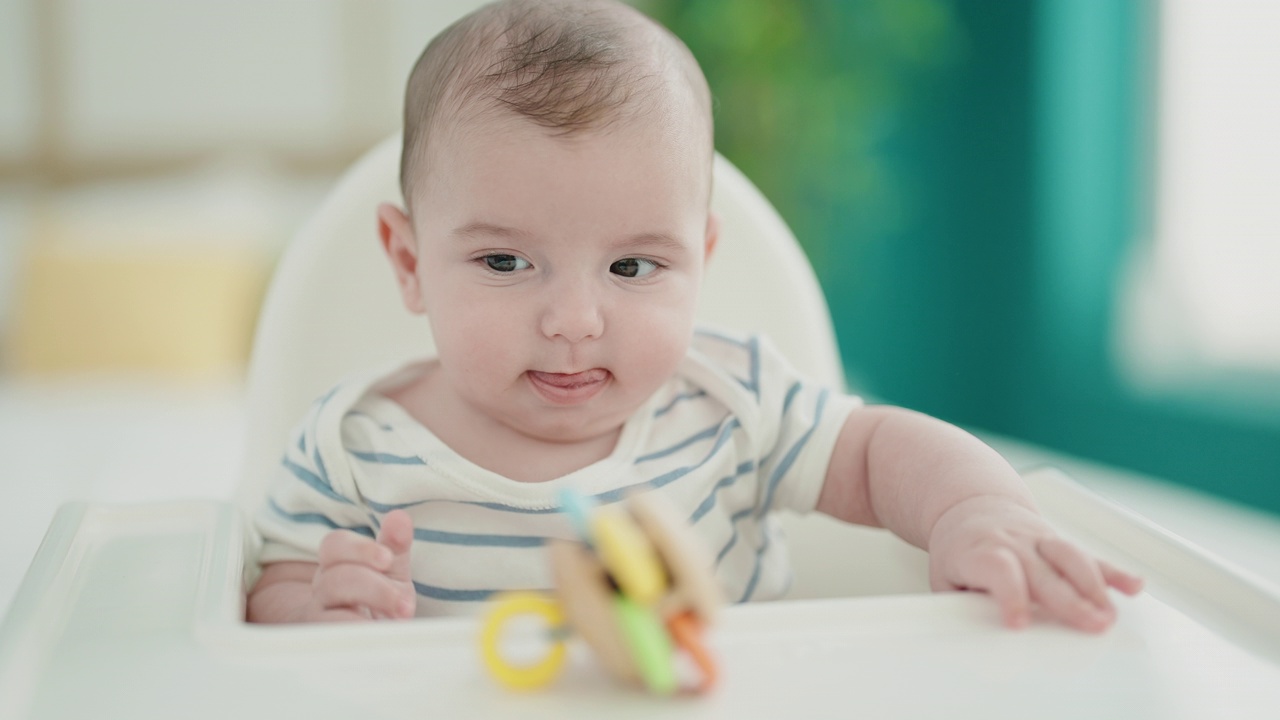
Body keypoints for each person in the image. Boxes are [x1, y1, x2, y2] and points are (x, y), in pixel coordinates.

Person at [246, 0, 1142, 628]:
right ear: (409, 262)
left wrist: (973, 512)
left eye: (633, 265)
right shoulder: (353, 451)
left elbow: (873, 454)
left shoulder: (732, 399)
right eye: (505, 262)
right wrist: (312, 611)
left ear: (699, 262)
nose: (572, 319)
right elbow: (266, 593)